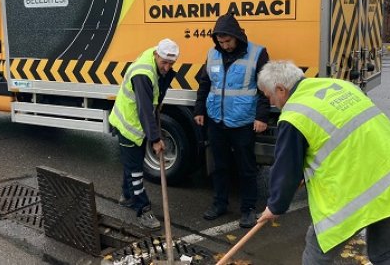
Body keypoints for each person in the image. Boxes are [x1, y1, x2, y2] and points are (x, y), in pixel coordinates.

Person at [255, 61, 390, 264]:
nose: (271, 102)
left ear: (280, 89)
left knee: (316, 258)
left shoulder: (294, 115)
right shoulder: (341, 86)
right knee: (386, 257)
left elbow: (287, 170)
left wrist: (275, 206)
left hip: (357, 197)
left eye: (269, 96)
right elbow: (345, 140)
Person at [194, 13, 271, 228]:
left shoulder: (257, 53)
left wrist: (261, 116)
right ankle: (220, 203)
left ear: (237, 36)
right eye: (221, 42)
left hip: (243, 122)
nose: (225, 45)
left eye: (228, 41)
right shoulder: (212, 54)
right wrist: (199, 110)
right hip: (216, 121)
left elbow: (265, 88)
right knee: (219, 166)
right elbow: (204, 83)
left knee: (246, 168)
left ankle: (248, 209)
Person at [108, 38, 179, 230]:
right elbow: (145, 110)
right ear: (157, 55)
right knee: (136, 169)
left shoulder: (154, 61)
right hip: (129, 124)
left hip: (137, 122)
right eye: (164, 62)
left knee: (132, 163)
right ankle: (143, 209)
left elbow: (153, 99)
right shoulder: (143, 73)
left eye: (171, 64)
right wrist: (155, 139)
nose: (166, 67)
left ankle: (127, 196)